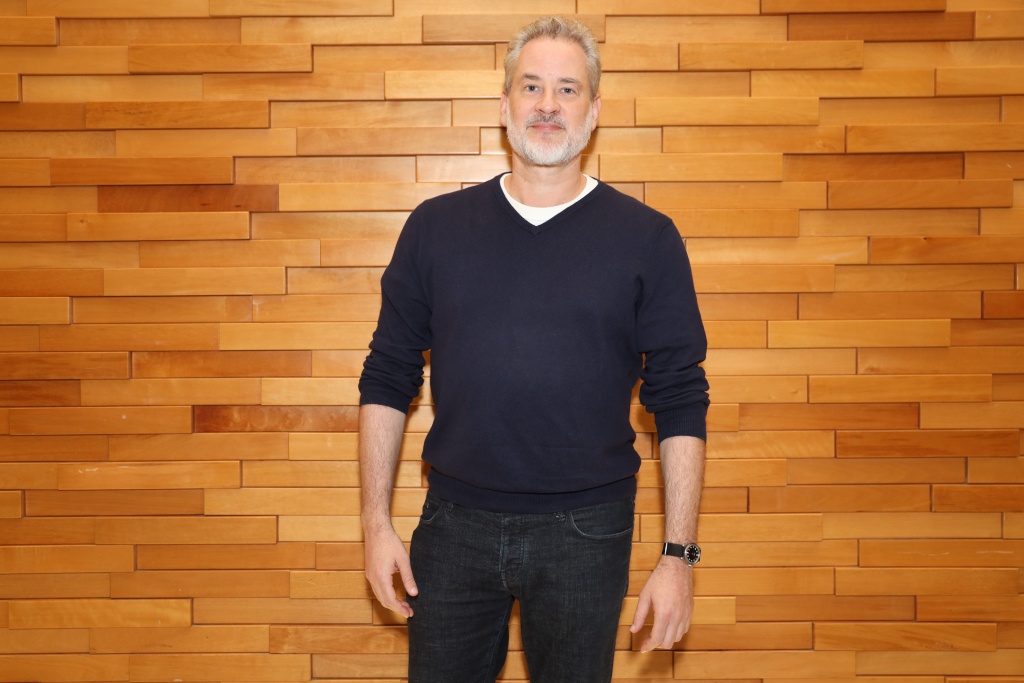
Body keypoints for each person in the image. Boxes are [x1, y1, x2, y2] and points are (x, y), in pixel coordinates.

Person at [358, 16, 709, 683]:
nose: (548, 104)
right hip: (454, 526)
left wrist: (678, 557)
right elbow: (386, 375)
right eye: (532, 86)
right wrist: (375, 525)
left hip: (588, 531)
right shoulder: (435, 229)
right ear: (505, 105)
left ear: (594, 111)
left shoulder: (648, 239)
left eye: (567, 89)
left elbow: (681, 396)